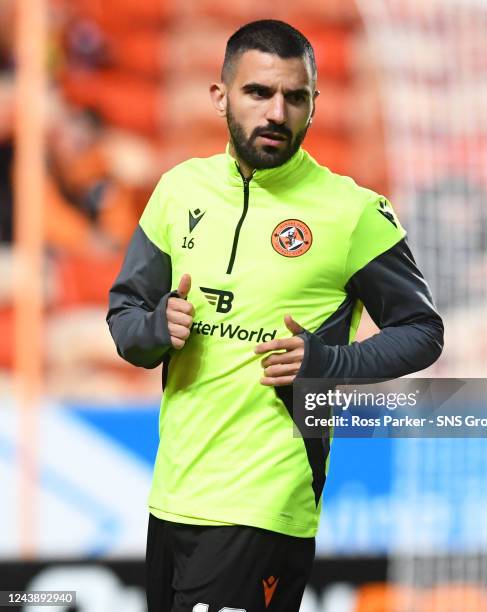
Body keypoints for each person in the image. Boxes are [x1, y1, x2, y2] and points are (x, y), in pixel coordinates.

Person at [107, 19, 444, 612]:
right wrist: (157, 329)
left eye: (296, 96)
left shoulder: (352, 212)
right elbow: (126, 320)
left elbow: (422, 332)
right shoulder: (178, 191)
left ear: (315, 103)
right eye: (259, 92)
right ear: (221, 96)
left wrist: (326, 362)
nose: (277, 112)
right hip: (173, 495)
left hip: (266, 502)